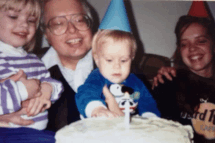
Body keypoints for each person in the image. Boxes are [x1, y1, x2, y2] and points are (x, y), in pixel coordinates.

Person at [153, 15, 215, 143]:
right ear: (180, 51)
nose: (192, 48)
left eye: (201, 41)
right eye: (184, 44)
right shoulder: (168, 82)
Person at [0, 0, 63, 130]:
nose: (24, 25)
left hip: (38, 132)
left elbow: (54, 84)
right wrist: (23, 91)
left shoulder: (34, 60)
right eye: (13, 16)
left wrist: (48, 89)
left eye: (31, 20)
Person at [76, 29, 161, 118]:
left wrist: (150, 119)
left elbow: (148, 104)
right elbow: (85, 93)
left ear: (132, 59)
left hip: (130, 128)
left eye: (123, 60)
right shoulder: (97, 78)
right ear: (97, 59)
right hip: (101, 127)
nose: (117, 66)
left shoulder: (136, 82)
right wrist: (96, 108)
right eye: (109, 60)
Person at [40, 0, 94, 131]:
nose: (72, 29)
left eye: (79, 20)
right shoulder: (29, 74)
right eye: (58, 23)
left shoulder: (122, 63)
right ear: (46, 34)